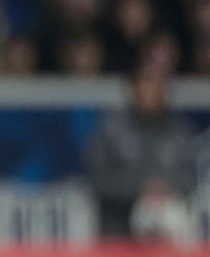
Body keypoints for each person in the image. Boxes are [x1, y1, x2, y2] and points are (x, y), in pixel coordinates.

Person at [85, 69, 198, 241]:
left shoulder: (179, 130)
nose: (151, 90)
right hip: (118, 231)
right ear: (133, 87)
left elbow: (190, 177)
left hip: (168, 231)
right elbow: (97, 179)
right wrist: (140, 189)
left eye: (158, 84)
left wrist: (164, 188)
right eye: (146, 83)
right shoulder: (110, 129)